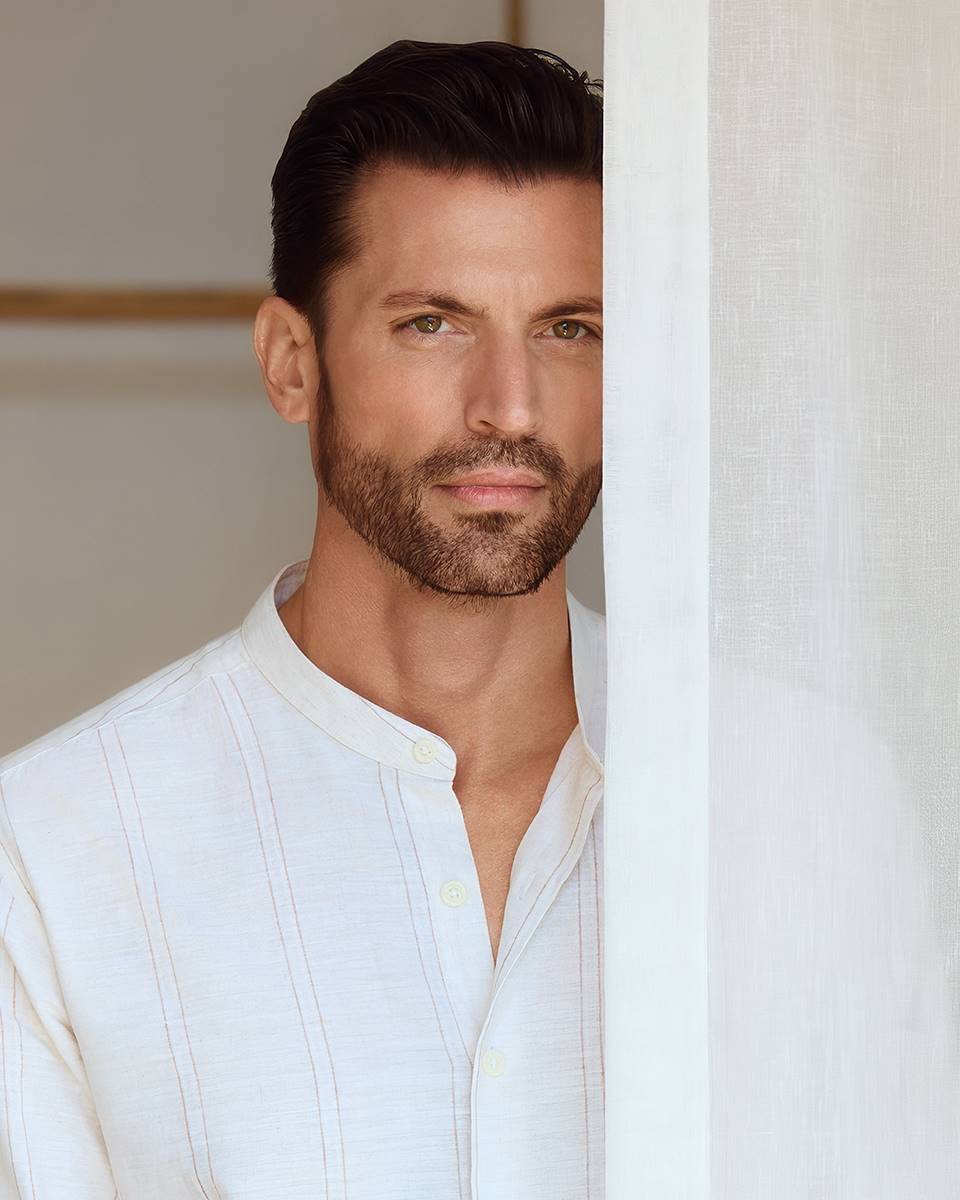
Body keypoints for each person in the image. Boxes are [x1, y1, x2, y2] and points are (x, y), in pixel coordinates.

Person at [0, 39, 604, 1199]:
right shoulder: (55, 851)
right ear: (292, 362)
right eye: (433, 323)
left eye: (568, 328)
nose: (511, 408)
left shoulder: (795, 800)